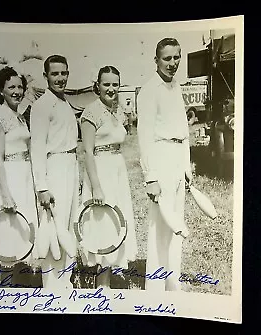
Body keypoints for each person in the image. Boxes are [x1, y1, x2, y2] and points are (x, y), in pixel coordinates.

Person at [137, 38, 192, 291]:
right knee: (160, 229)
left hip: (177, 160)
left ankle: (173, 288)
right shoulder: (149, 90)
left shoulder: (176, 87)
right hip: (160, 160)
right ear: (156, 60)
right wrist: (151, 177)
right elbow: (145, 135)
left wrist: (186, 166)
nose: (173, 63)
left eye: (177, 57)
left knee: (176, 226)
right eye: (167, 58)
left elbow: (183, 131)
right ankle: (155, 291)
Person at [80, 66, 138, 288]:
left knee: (116, 225)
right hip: (100, 173)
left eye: (115, 84)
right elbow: (87, 152)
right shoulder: (90, 113)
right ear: (97, 85)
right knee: (102, 226)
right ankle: (101, 288)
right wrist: (96, 187)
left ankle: (109, 283)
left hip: (117, 172)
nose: (111, 89)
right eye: (106, 84)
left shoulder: (118, 112)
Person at [0, 66, 39, 280]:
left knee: (23, 233)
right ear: (0, 91)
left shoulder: (19, 117)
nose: (17, 91)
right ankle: (6, 287)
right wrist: (6, 194)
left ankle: (19, 282)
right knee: (9, 232)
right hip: (10, 179)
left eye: (20, 87)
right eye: (11, 87)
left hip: (24, 177)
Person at [30, 55, 79, 289]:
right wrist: (42, 186)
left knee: (68, 226)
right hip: (54, 170)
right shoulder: (40, 107)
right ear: (46, 76)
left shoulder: (65, 103)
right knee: (53, 227)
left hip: (71, 167)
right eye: (55, 74)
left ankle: (65, 282)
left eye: (64, 73)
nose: (60, 78)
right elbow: (37, 148)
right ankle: (51, 285)